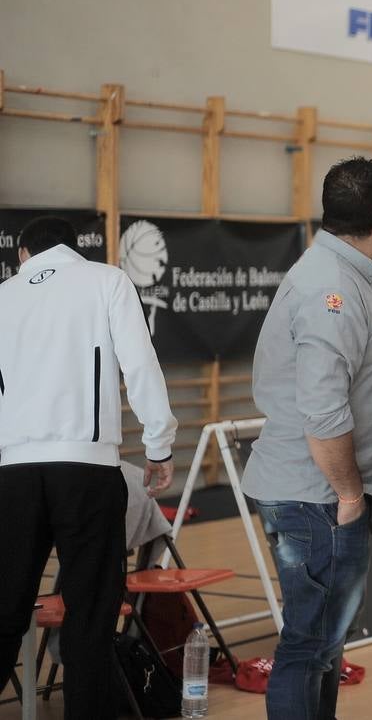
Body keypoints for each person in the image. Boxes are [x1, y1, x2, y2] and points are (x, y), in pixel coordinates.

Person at [243, 157, 372, 720]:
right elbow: (323, 410)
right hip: (316, 498)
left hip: (317, 494)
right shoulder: (330, 289)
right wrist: (348, 494)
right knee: (309, 645)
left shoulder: (335, 274)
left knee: (322, 648)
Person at [0, 216, 177, 720]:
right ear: (75, 249)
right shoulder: (106, 279)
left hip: (13, 472)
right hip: (86, 469)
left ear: (22, 255)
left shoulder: (4, 295)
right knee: (91, 618)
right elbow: (140, 363)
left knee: (4, 611)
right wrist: (158, 445)